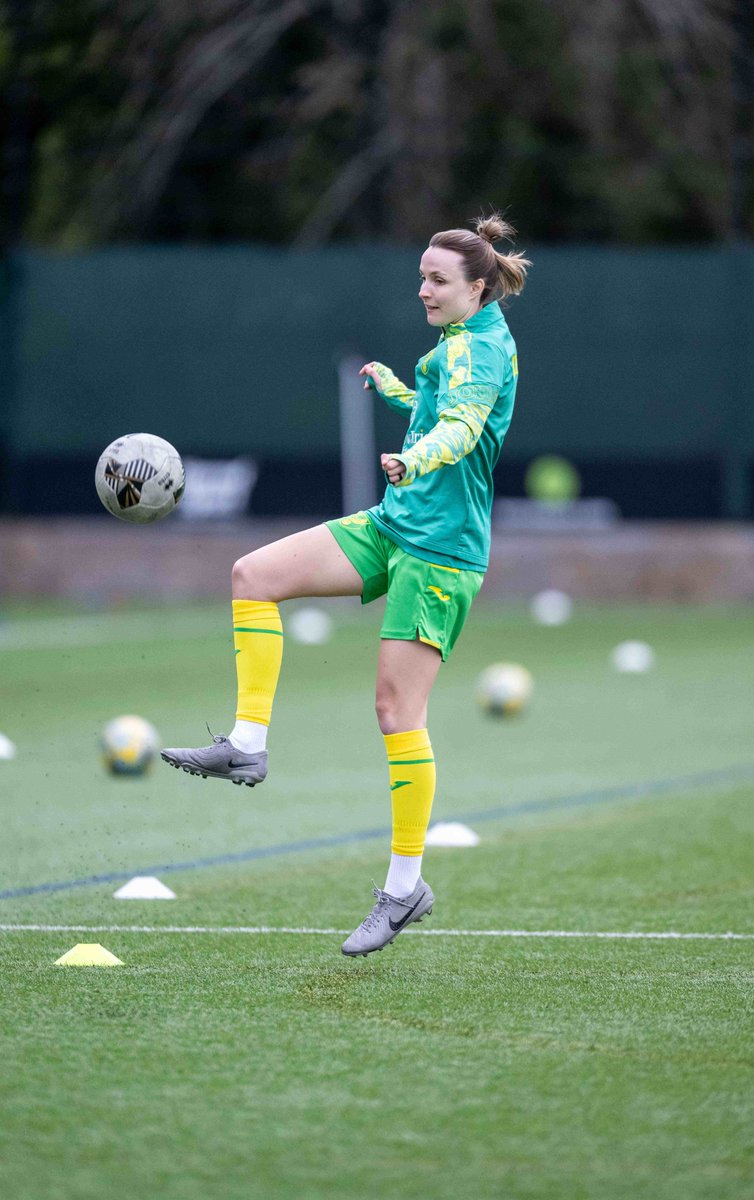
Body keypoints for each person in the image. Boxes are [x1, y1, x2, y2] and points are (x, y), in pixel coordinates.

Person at [162, 213, 531, 957]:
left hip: (440, 553)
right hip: (397, 525)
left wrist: (415, 458)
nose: (421, 288)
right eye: (421, 274)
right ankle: (247, 743)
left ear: (479, 287)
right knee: (253, 575)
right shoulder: (462, 342)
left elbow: (462, 430)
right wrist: (401, 391)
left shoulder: (485, 353)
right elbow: (443, 409)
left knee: (397, 712)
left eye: (436, 280)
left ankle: (404, 890)